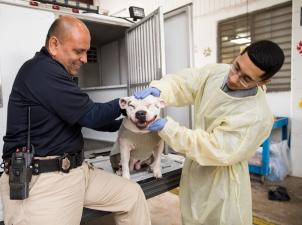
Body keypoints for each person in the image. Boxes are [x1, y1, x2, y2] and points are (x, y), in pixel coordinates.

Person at [0, 16, 151, 225]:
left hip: (77, 172)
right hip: (45, 180)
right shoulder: (40, 71)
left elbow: (83, 118)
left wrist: (131, 123)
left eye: (86, 52)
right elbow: (92, 115)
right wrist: (126, 102)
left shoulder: (57, 75)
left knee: (131, 196)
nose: (85, 59)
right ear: (54, 45)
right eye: (78, 51)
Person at [135, 40, 285, 225]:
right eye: (236, 66)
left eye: (246, 78)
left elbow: (214, 148)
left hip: (223, 185)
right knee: (191, 217)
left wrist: (169, 129)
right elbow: (185, 83)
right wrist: (160, 90)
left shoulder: (256, 116)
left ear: (264, 81)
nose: (233, 79)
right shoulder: (217, 73)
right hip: (195, 170)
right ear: (239, 55)